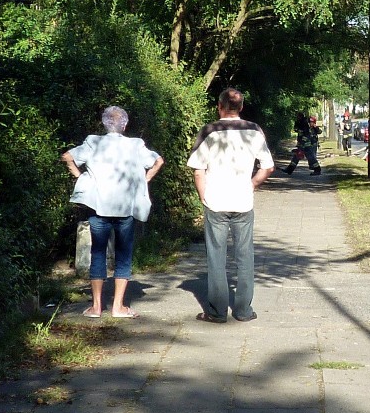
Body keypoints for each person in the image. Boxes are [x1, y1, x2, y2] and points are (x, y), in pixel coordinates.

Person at [61, 106, 164, 319]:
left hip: (98, 206)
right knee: (123, 255)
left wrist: (81, 178)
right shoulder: (135, 145)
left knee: (97, 253)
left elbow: (67, 157)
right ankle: (118, 307)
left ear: (104, 123)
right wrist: (145, 180)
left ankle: (96, 307)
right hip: (126, 208)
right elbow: (158, 161)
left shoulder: (93, 142)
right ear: (124, 125)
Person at [186, 88, 275, 323]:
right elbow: (268, 166)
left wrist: (203, 195)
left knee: (216, 256)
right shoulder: (254, 131)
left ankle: (216, 311)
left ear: (219, 106)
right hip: (243, 201)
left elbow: (198, 170)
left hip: (216, 201)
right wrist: (253, 184)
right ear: (241, 107)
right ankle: (244, 310)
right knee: (245, 256)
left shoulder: (210, 131)